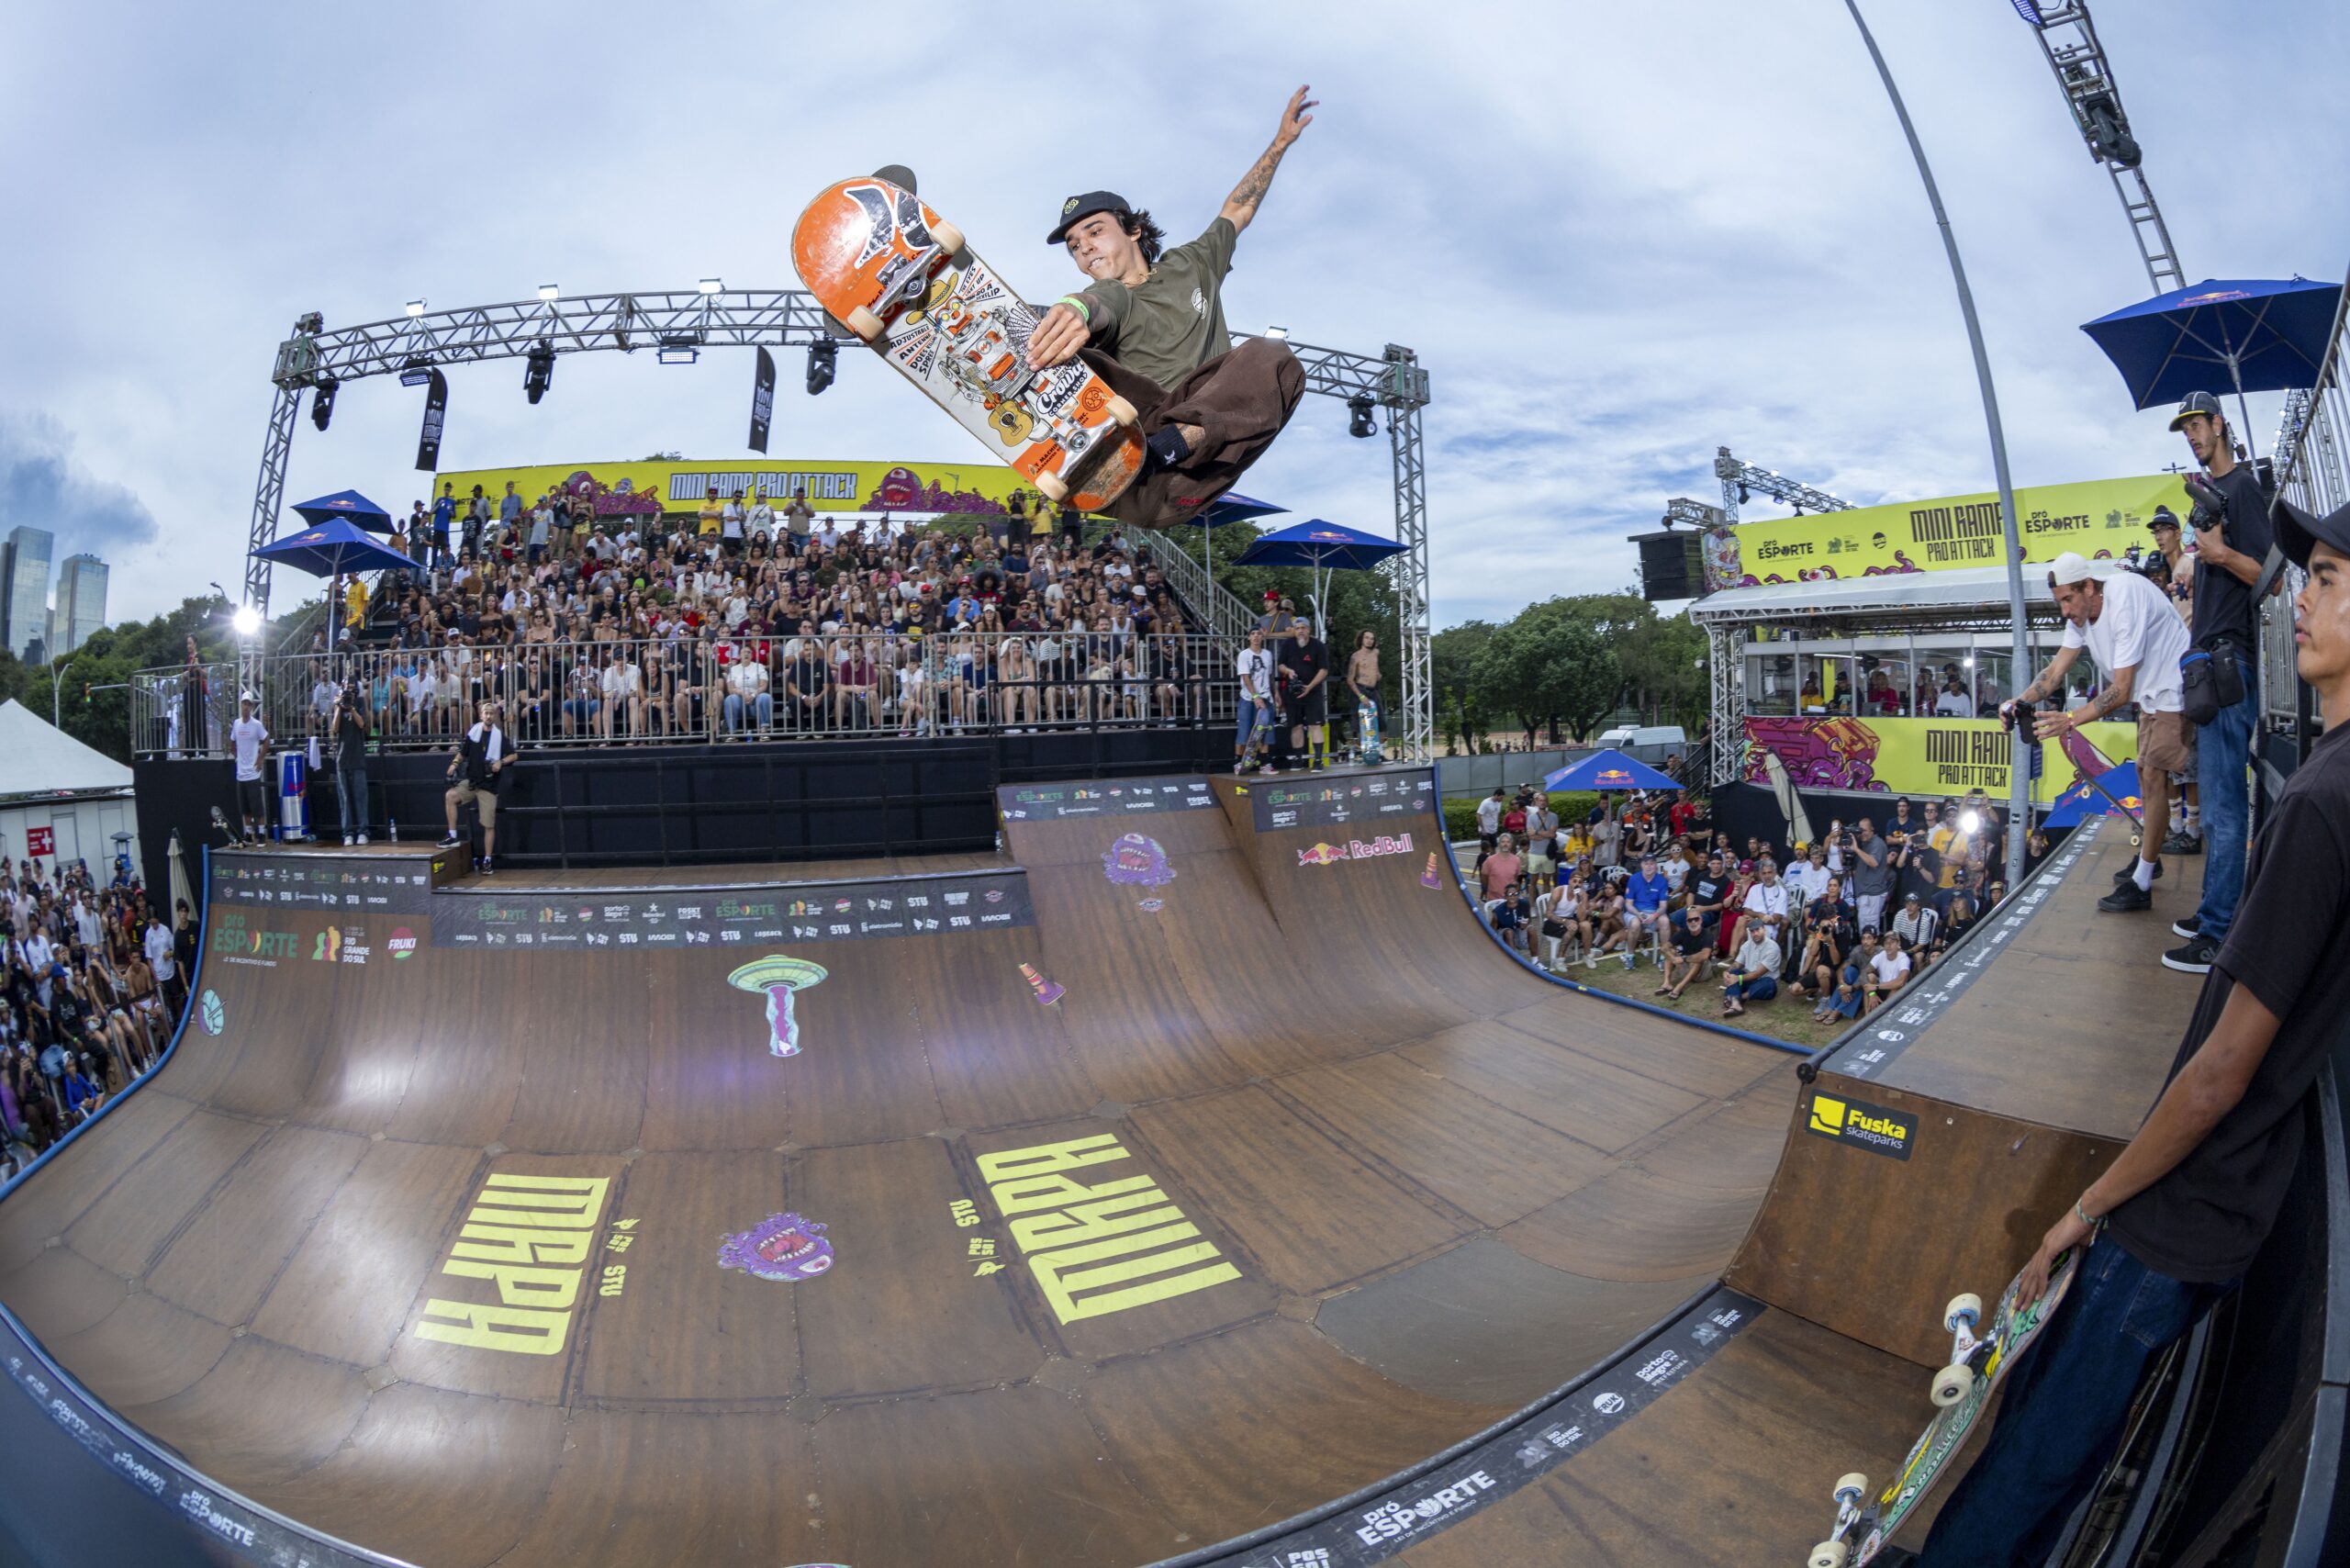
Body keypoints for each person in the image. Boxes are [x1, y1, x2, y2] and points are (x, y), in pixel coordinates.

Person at [1915, 495, 2350, 1566]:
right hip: (2235, 1194)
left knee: (2035, 1452)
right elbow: (2070, 674)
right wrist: (2043, 707)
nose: (2298, 598)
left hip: (2189, 1201)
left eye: (2328, 579)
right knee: (2064, 1448)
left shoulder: (2317, 802)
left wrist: (2081, 1210)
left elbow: (2217, 1074)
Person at [1023, 87, 1314, 528]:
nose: (1085, 249)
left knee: (1272, 356)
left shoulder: (1192, 263)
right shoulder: (1110, 297)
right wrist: (1076, 308)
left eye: (1095, 232)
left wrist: (1280, 142)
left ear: (1133, 230)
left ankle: (1169, 444)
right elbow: (1099, 303)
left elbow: (1238, 210)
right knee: (1064, 348)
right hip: (1133, 467)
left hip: (1192, 468)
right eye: (1074, 246)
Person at [2156, 395, 2277, 973]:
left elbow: (2271, 577)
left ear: (2220, 424)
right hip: (2210, 663)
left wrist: (2221, 553)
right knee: (2216, 806)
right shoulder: (2211, 495)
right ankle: (2214, 912)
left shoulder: (2244, 488)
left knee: (2225, 809)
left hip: (2231, 664)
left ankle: (2219, 934)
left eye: (2197, 425)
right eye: (2185, 429)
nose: (2191, 435)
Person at [2003, 551, 2191, 916]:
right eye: (2060, 603)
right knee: (2146, 776)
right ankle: (2151, 858)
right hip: (2151, 696)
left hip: (2175, 689)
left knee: (2154, 776)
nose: (2065, 611)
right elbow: (2054, 673)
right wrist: (2019, 702)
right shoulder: (2081, 615)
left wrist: (2070, 719)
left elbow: (2119, 690)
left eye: (2068, 600)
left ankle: (2143, 882)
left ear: (2088, 586)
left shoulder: (2124, 599)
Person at [440, 699, 513, 874]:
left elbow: (513, 755)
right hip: (472, 781)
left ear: (495, 716)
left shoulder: (500, 737)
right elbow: (462, 753)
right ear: (481, 716)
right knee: (450, 796)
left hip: (488, 785)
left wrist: (501, 762)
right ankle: (452, 836)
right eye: (486, 713)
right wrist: (454, 764)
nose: (488, 716)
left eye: (491, 713)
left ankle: (487, 860)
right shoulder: (473, 733)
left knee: (488, 824)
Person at [1278, 622, 1330, 771]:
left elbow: (1324, 670)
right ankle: (1298, 759)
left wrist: (1310, 687)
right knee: (1296, 726)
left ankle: (1318, 760)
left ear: (1309, 630)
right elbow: (1280, 665)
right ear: (1294, 631)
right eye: (1297, 628)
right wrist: (1288, 671)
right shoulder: (1288, 644)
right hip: (1293, 692)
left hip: (1313, 692)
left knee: (1315, 725)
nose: (1300, 631)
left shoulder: (1318, 646)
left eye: (1303, 628)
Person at [331, 683, 371, 846]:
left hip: (357, 758)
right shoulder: (339, 705)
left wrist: (352, 708)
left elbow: (363, 724)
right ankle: (347, 832)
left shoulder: (360, 703)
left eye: (352, 691)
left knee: (361, 797)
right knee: (345, 799)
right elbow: (334, 728)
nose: (350, 694)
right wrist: (339, 707)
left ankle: (363, 831)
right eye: (347, 690)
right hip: (342, 759)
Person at [229, 694, 270, 846]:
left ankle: (261, 833)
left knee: (257, 808)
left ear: (251, 707)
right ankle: (248, 834)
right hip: (241, 774)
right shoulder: (236, 724)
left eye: (248, 704)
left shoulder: (256, 725)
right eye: (243, 704)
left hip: (253, 774)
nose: (245, 707)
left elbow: (266, 739)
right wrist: (236, 757)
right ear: (241, 706)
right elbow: (232, 742)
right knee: (245, 809)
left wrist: (260, 758)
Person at [1720, 916, 1782, 1018]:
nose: (1755, 933)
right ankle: (1736, 1005)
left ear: (1764, 930)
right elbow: (1737, 964)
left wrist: (1738, 979)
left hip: (1764, 981)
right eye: (1752, 931)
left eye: (1757, 930)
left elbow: (1758, 974)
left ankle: (1736, 997)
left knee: (1768, 984)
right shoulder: (1746, 945)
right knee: (1734, 972)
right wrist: (1727, 972)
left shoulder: (1773, 948)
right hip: (1748, 979)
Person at [1233, 626, 1275, 773]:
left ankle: (1265, 763)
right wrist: (1255, 697)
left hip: (1266, 697)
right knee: (1244, 731)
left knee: (1266, 731)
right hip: (1248, 698)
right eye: (1253, 634)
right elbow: (1245, 677)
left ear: (1262, 637)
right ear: (1249, 637)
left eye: (1259, 634)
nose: (1256, 636)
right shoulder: (1244, 655)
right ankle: (1238, 761)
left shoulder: (1268, 654)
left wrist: (1276, 693)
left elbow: (1270, 676)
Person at [1658, 906, 1715, 1001]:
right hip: (1687, 966)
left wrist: (1683, 959)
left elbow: (1705, 955)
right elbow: (1664, 947)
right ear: (1687, 922)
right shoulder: (1683, 932)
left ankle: (1679, 987)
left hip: (1703, 972)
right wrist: (1673, 958)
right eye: (1690, 920)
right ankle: (1667, 983)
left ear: (1701, 920)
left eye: (1696, 919)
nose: (1693, 922)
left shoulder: (1707, 935)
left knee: (1697, 958)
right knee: (1670, 951)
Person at [1849, 816, 1891, 936]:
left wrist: (1856, 849)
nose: (1862, 834)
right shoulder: (1864, 844)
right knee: (1863, 931)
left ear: (1872, 829)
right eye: (1860, 831)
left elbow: (1874, 862)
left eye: (1865, 830)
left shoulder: (1877, 843)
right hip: (1864, 893)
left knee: (1869, 932)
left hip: (1872, 894)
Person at [1346, 630, 1382, 760]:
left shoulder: (1376, 653)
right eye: (1366, 638)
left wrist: (1378, 674)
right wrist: (1360, 696)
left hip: (1374, 689)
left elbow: (1376, 669)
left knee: (1381, 722)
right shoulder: (1356, 656)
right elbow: (1350, 679)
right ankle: (1364, 754)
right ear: (1361, 639)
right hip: (1361, 690)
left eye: (1372, 638)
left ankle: (1380, 753)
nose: (1369, 640)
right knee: (1361, 724)